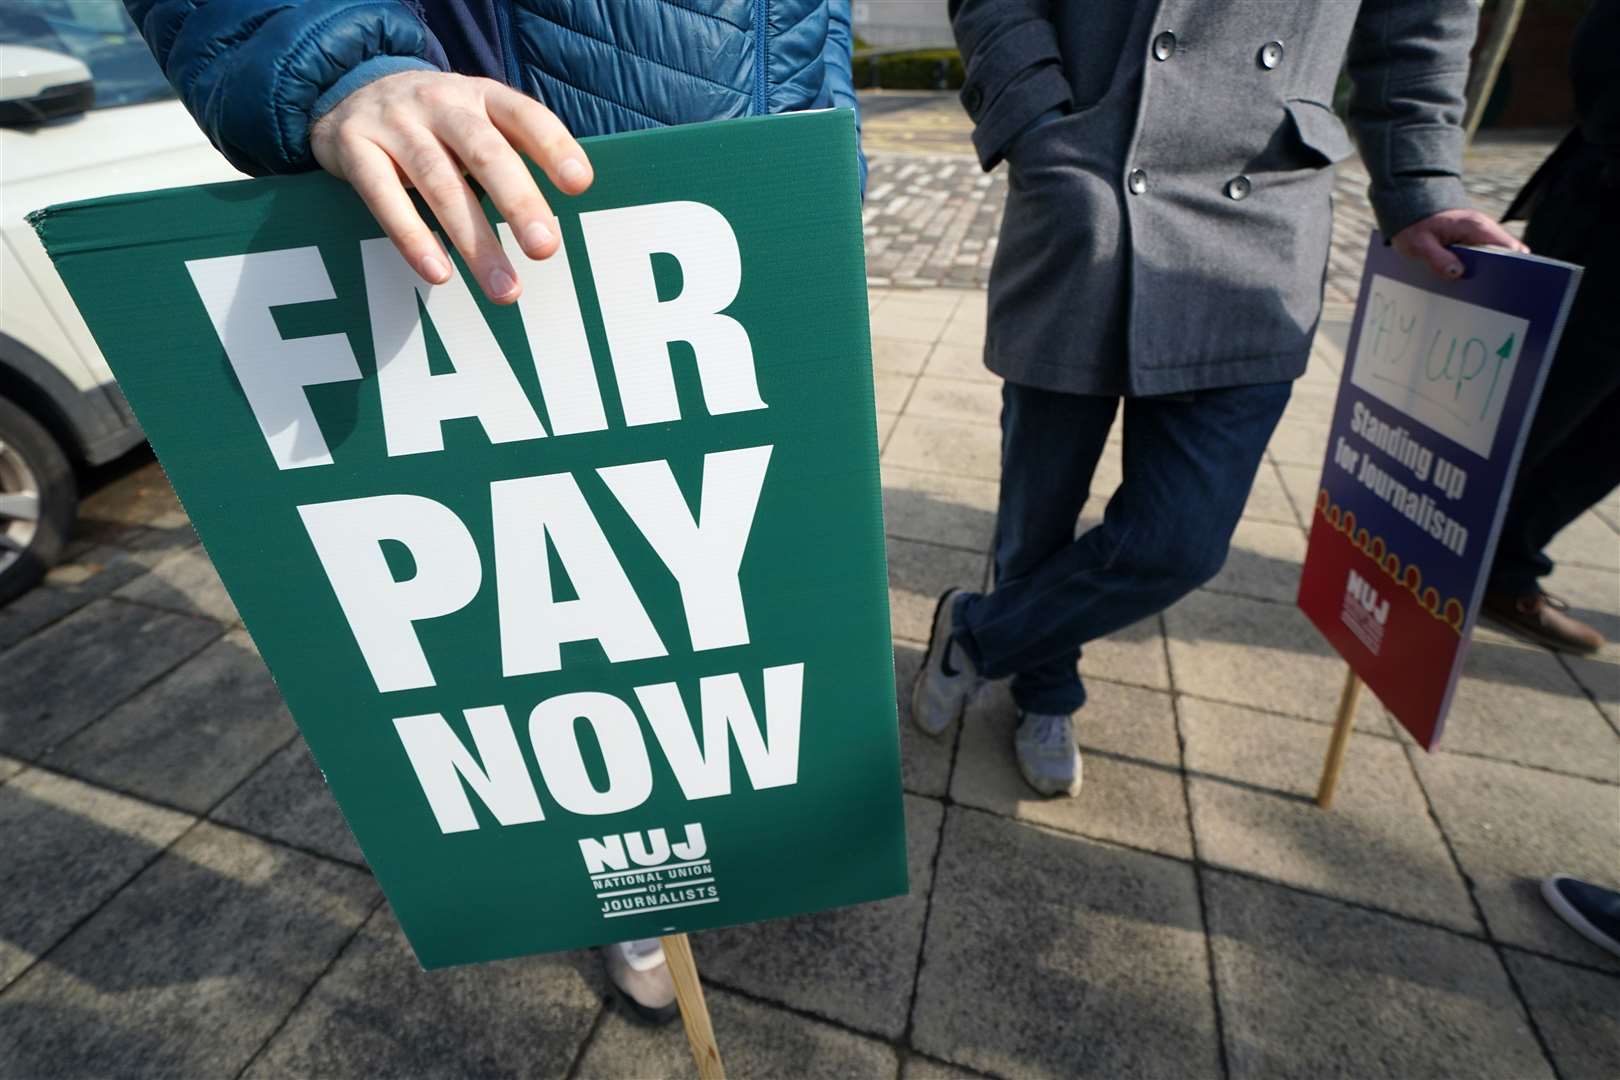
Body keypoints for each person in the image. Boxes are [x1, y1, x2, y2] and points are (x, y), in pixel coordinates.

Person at [124, 0, 861, 1024]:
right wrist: (336, 60)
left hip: (749, 238)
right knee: (580, 619)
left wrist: (828, 177)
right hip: (525, 250)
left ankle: (704, 840)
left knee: (732, 595)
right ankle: (633, 890)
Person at [917, 2, 1527, 797]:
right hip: (1084, 178)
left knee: (1180, 542)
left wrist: (1420, 183)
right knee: (1039, 510)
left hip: (1261, 212)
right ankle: (1047, 689)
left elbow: (1422, 25)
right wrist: (1032, 116)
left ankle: (976, 632)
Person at [1482, 0, 1618, 657]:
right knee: (1534, 411)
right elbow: (1604, 38)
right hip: (1610, 217)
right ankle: (1419, 557)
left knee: (1606, 435)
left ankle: (1504, 567)